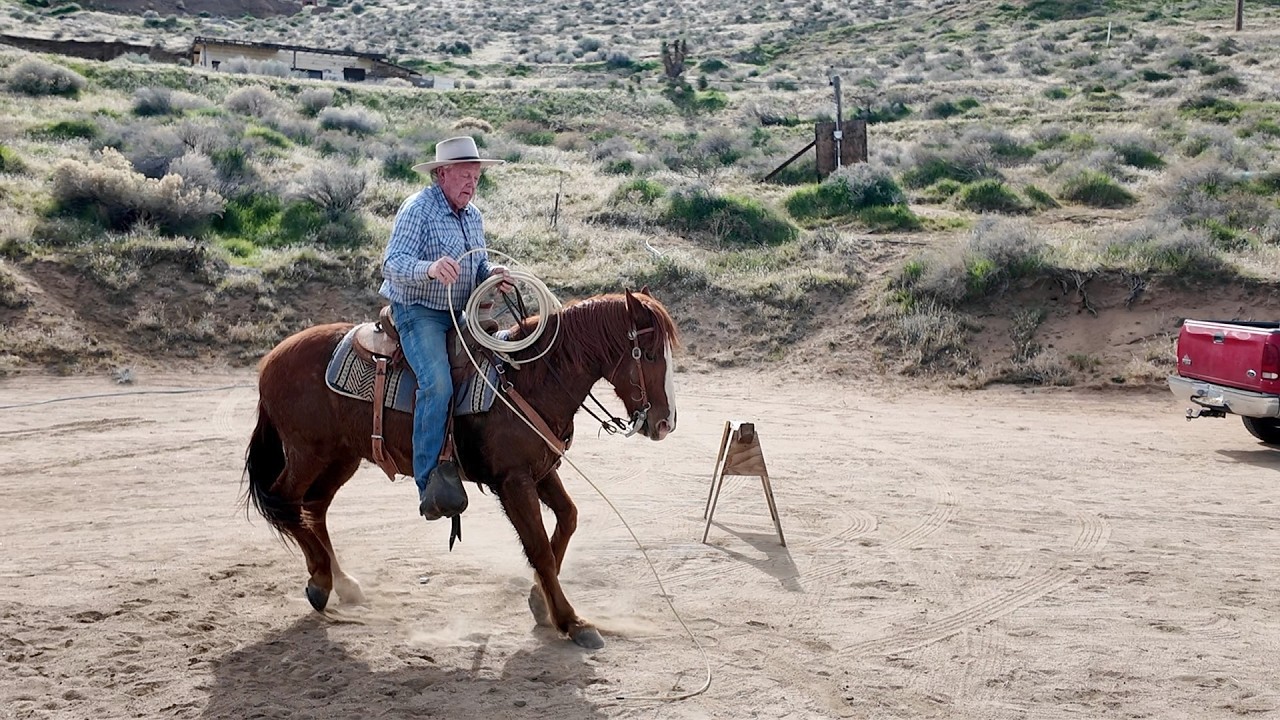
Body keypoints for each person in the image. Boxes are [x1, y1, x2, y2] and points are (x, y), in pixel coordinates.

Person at [379, 135, 512, 520]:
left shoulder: (474, 217)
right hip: (418, 311)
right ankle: (428, 482)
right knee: (437, 383)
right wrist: (430, 269)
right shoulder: (418, 209)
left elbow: (477, 265)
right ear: (441, 174)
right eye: (465, 175)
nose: (472, 183)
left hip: (461, 312)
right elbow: (392, 263)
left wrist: (494, 275)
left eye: (477, 176)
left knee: (503, 364)